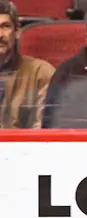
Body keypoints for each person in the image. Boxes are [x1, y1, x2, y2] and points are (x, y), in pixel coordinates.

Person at [0, 0, 54, 128]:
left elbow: (43, 131)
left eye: (5, 26)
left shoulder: (41, 73)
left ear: (17, 31)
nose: (0, 35)